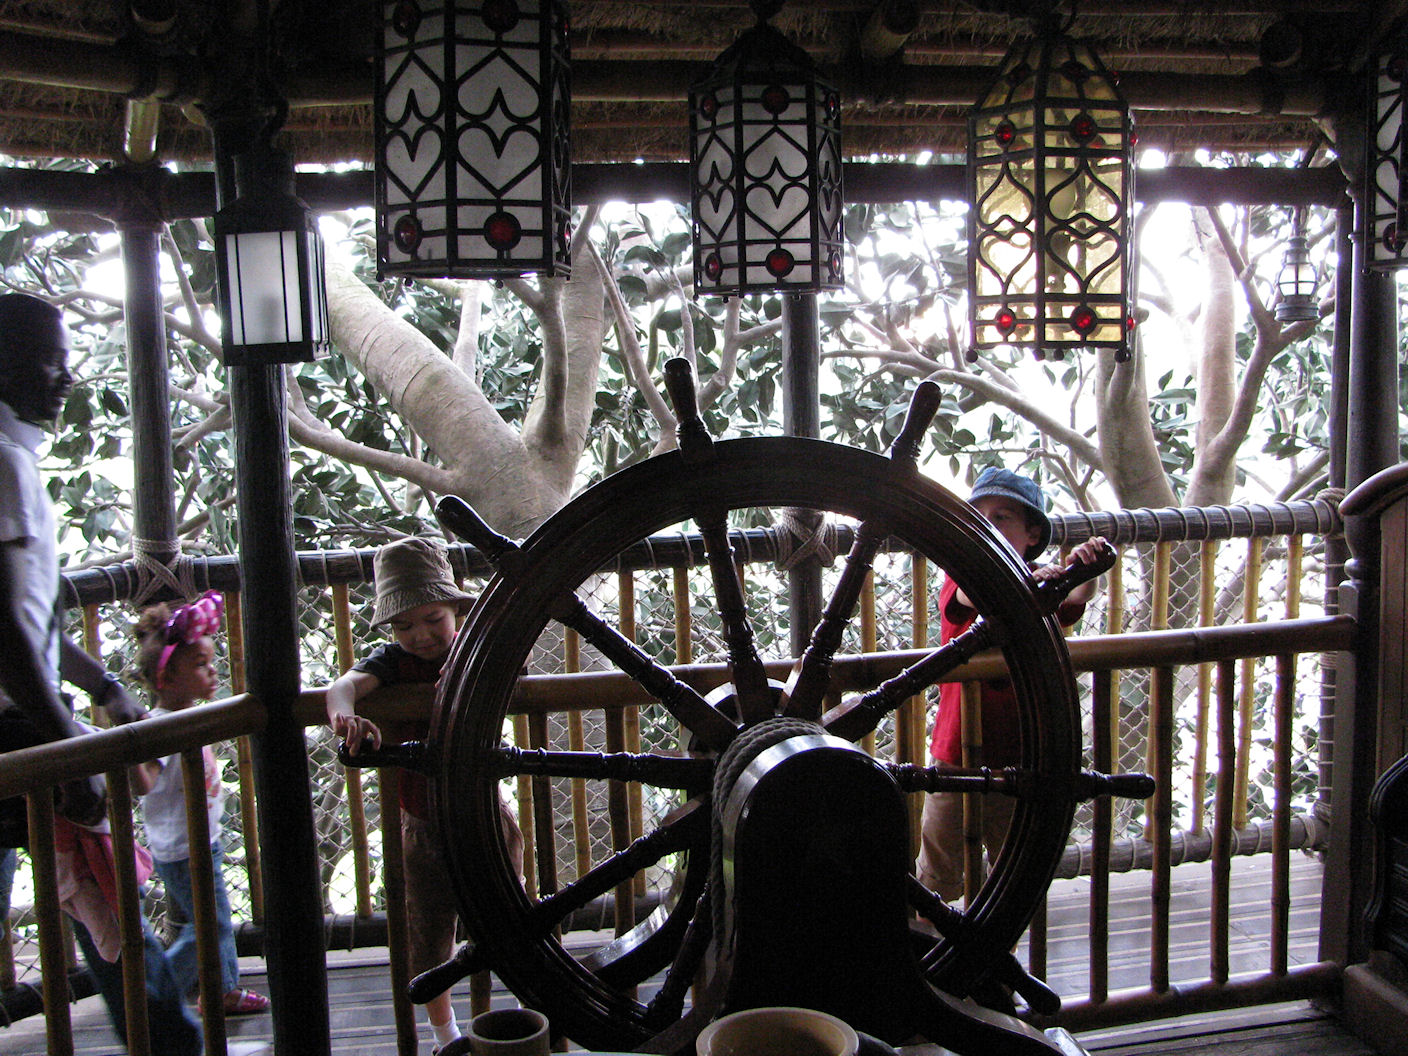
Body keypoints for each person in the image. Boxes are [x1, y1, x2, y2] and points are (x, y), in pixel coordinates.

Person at [0, 292, 206, 1055]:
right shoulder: (3, 462)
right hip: (19, 729)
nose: (65, 377)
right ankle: (171, 1045)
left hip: (27, 718)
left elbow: (34, 618)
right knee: (107, 898)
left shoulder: (15, 456)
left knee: (101, 898)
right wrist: (69, 743)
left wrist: (104, 689)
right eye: (47, 361)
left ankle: (167, 1038)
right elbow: (7, 630)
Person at [326, 536, 523, 1055]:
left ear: (456, 609)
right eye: (403, 625)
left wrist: (467, 676)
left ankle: (530, 1012)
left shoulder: (474, 649)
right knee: (429, 936)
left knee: (511, 918)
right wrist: (345, 717)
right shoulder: (392, 663)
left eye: (432, 618)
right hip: (422, 825)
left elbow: (515, 671)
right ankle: (445, 1035)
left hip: (484, 814)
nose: (419, 634)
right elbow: (341, 688)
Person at [916, 466, 1108, 903]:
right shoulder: (961, 576)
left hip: (1021, 753)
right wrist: (1033, 584)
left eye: (1001, 516)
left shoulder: (1045, 581)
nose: (987, 524)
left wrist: (1084, 570)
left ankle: (996, 935)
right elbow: (971, 596)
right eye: (979, 516)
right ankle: (930, 932)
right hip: (955, 751)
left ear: (1032, 533)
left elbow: (1077, 596)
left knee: (1014, 867)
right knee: (938, 867)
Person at [129, 590, 270, 1017]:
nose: (212, 671)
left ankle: (220, 989)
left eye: (211, 662)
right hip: (183, 848)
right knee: (211, 924)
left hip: (200, 840)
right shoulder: (161, 727)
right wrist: (125, 752)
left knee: (212, 920)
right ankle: (156, 993)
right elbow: (144, 782)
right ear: (166, 678)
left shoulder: (189, 716)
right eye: (200, 665)